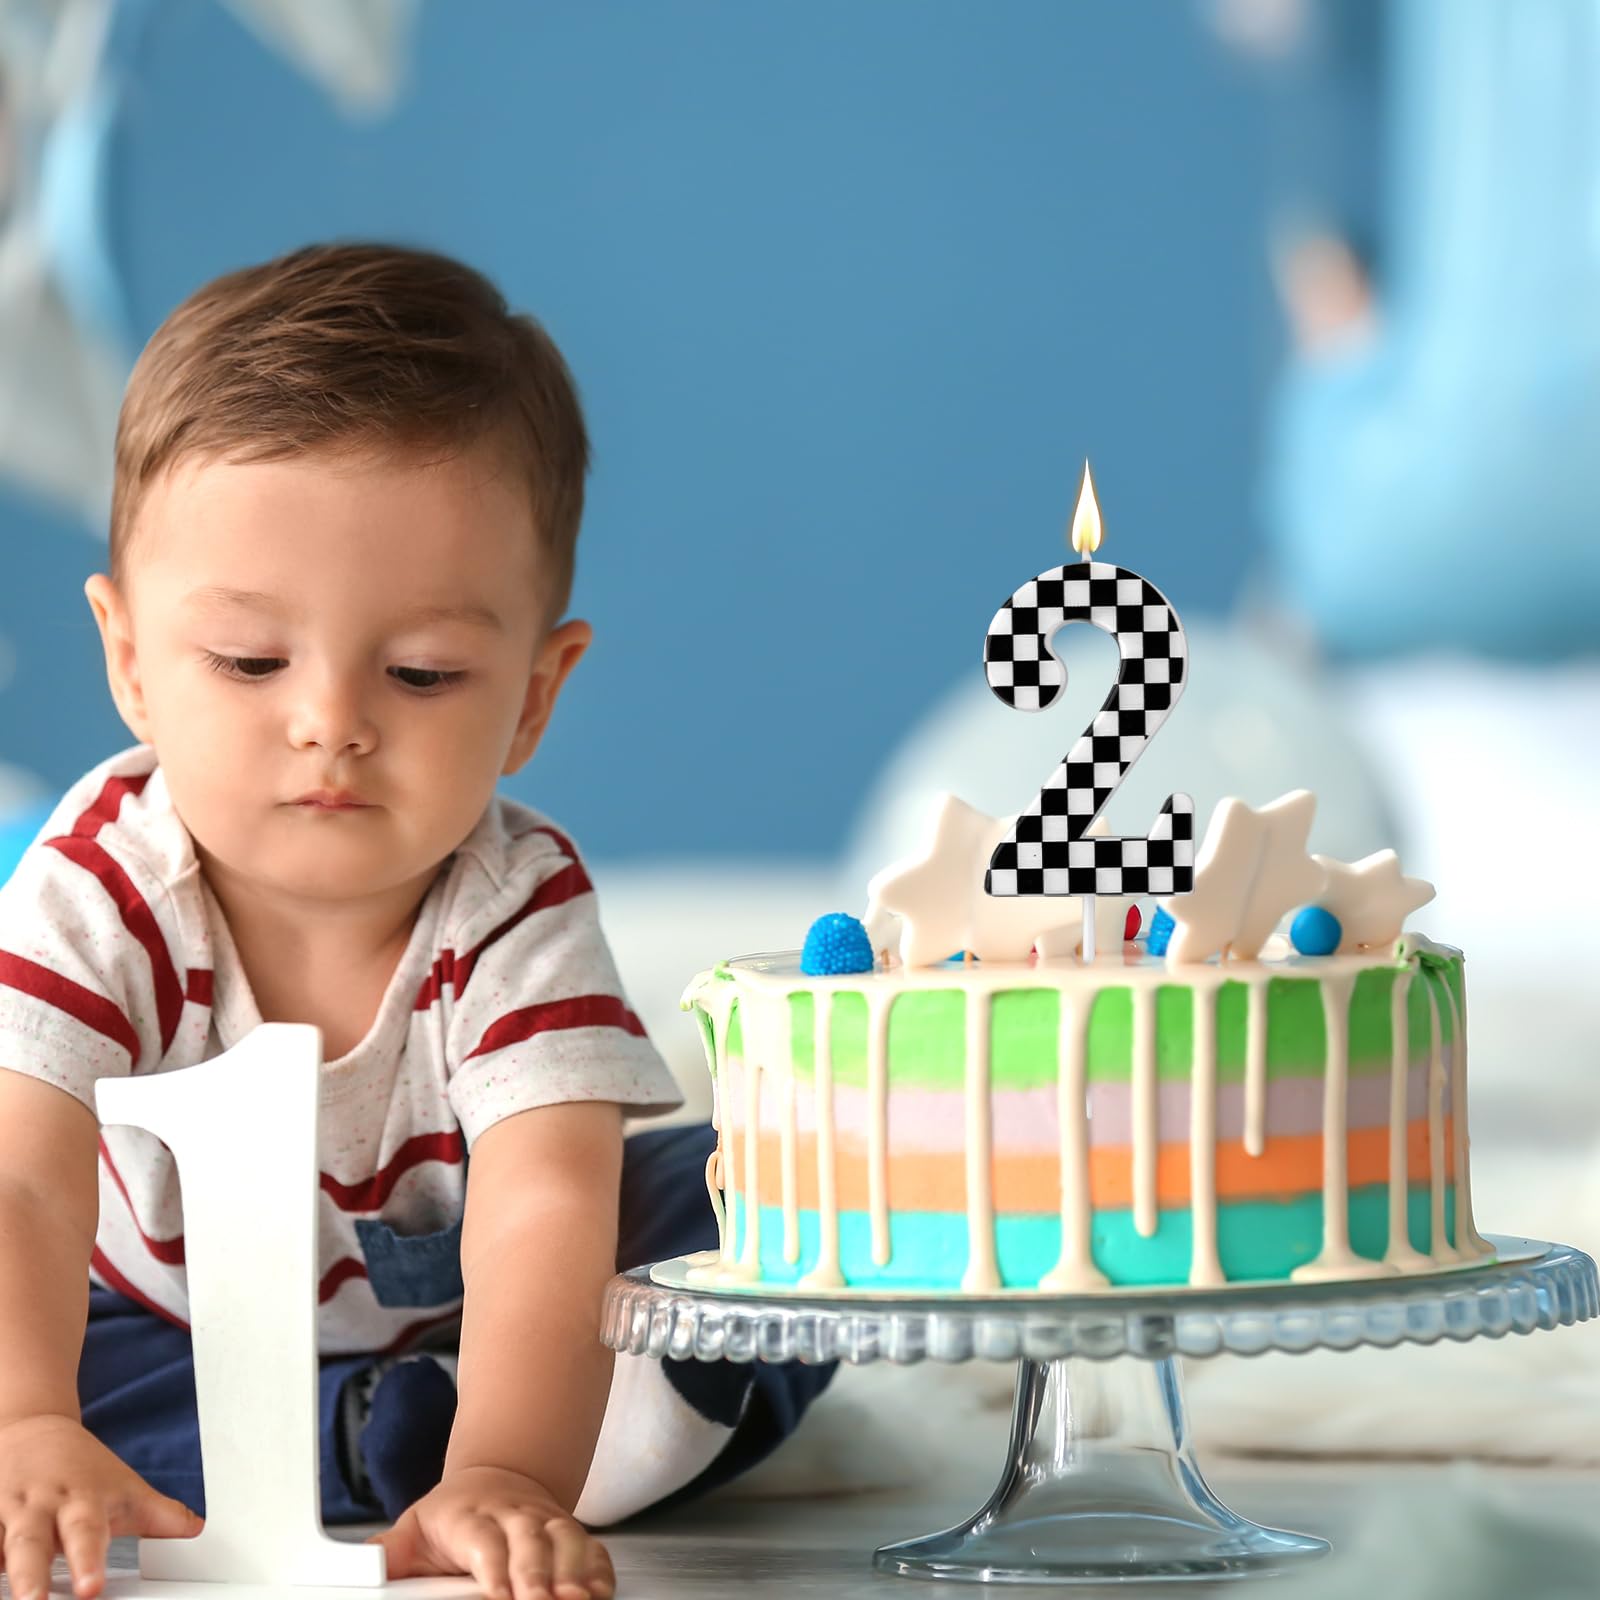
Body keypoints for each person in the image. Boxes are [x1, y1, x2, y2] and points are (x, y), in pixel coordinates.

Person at [0, 243, 832, 1600]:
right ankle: (351, 1443)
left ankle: (463, 1448)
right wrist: (26, 1422)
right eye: (250, 661)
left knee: (771, 1205)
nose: (332, 719)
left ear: (533, 695)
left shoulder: (514, 903)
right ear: (131, 662)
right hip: (167, 1323)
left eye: (424, 672)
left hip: (484, 1325)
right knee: (53, 1350)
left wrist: (509, 1470)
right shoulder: (98, 885)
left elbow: (544, 1200)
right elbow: (26, 1179)